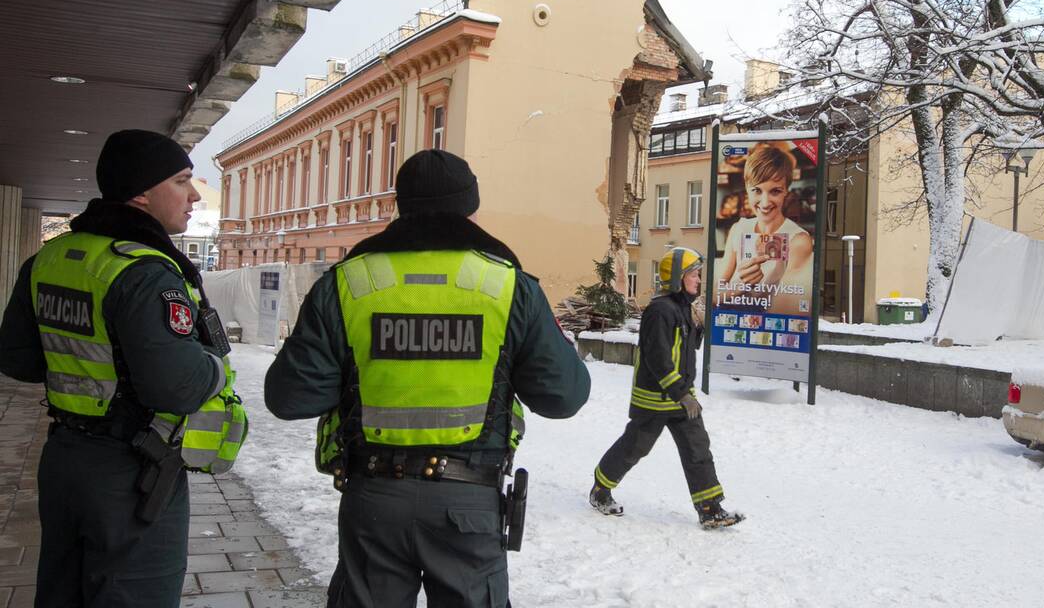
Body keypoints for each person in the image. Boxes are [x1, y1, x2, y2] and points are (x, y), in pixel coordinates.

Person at [264, 149, 590, 608]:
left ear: (401, 205)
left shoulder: (346, 282)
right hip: (469, 502)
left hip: (373, 498)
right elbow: (563, 396)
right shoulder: (508, 286)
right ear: (471, 209)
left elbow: (289, 398)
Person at [0, 129, 240, 607]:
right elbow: (176, 387)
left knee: (64, 591)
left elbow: (18, 360)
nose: (194, 196)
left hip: (66, 459)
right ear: (140, 192)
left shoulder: (50, 258)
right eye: (181, 180)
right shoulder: (144, 272)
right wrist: (216, 364)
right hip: (132, 471)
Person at [589, 247, 743, 529]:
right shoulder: (660, 311)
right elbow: (658, 358)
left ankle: (709, 508)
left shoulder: (683, 308)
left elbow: (684, 350)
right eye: (695, 275)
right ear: (678, 278)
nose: (699, 280)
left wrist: (702, 323)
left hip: (681, 397)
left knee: (698, 448)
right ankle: (601, 487)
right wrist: (681, 394)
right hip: (656, 398)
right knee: (635, 447)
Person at [717, 143, 813, 314]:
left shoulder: (798, 240)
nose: (765, 202)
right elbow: (715, 294)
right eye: (757, 190)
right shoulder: (739, 228)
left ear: (786, 191)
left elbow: (784, 310)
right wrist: (738, 286)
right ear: (747, 189)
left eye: (775, 191)